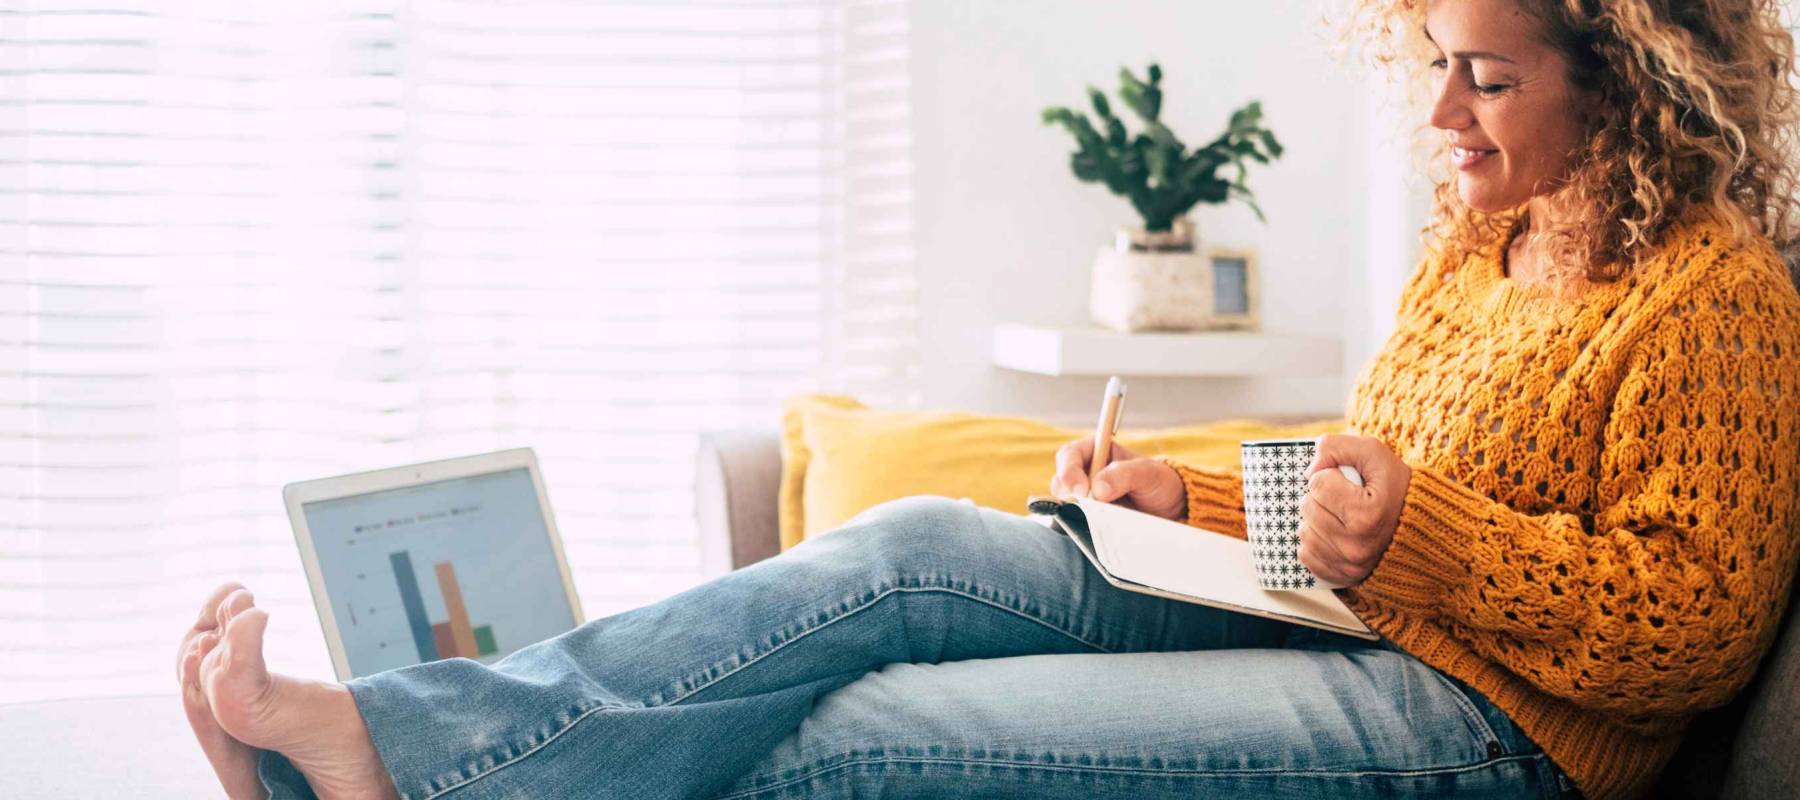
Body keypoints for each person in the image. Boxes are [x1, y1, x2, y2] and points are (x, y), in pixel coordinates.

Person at [176, 1, 1800, 798]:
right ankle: (405, 744)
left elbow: (1696, 628)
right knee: (904, 554)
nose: (1437, 106)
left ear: (1628, 77)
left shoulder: (1715, 299)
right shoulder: (1485, 239)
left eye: (1488, 75)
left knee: (858, 739)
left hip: (1497, 737)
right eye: (1435, 57)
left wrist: (1419, 540)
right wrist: (1193, 499)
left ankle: (395, 773)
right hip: (1343, 621)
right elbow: (1374, 496)